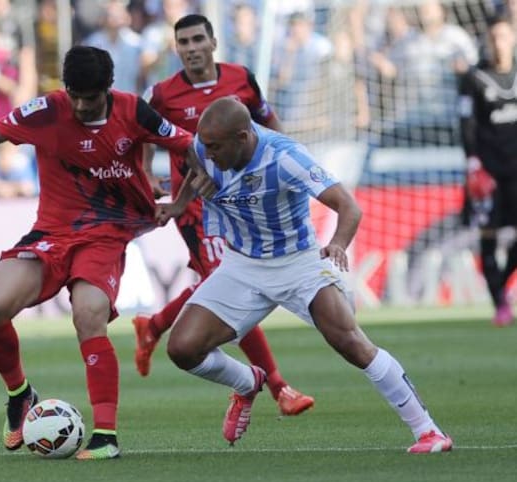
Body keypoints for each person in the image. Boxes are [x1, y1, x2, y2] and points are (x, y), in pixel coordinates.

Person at [0, 45, 197, 460]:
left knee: (88, 313)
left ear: (108, 89)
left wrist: (179, 203)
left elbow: (193, 147)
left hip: (106, 233)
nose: (79, 104)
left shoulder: (134, 111)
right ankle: (20, 394)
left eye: (88, 98)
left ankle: (105, 436)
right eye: (73, 94)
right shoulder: (47, 110)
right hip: (52, 232)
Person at [156, 96, 453, 453]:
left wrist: (339, 243)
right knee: (182, 349)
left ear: (243, 137)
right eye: (205, 146)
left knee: (351, 343)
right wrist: (178, 203)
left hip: (297, 262)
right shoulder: (206, 149)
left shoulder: (285, 157)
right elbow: (193, 167)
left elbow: (349, 206)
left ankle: (429, 431)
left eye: (216, 147)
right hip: (242, 265)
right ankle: (248, 382)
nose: (208, 154)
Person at [133, 13, 314, 417]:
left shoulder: (242, 79)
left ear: (213, 42)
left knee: (224, 281)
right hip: (195, 203)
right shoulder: (162, 94)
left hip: (245, 198)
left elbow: (268, 122)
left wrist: (288, 162)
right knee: (225, 279)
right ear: (176, 48)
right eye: (184, 42)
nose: (192, 48)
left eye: (198, 39)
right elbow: (143, 133)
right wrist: (147, 176)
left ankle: (156, 324)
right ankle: (278, 386)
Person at [458, 15, 517, 327]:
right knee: (489, 238)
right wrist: (473, 164)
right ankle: (499, 304)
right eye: (494, 37)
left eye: (504, 37)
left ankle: (504, 287)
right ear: (487, 40)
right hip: (489, 174)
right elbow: (466, 123)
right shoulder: (474, 77)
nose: (499, 43)